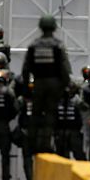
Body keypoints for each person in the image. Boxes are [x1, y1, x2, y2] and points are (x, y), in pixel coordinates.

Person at [21, 15, 71, 143]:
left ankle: (31, 142)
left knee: (35, 112)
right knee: (50, 112)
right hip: (54, 83)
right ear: (54, 27)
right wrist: (65, 85)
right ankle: (46, 142)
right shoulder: (58, 45)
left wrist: (26, 88)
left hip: (38, 82)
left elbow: (26, 68)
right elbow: (64, 67)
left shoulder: (33, 45)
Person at [55, 81, 89, 160]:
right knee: (62, 157)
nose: (68, 92)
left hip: (74, 131)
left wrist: (79, 101)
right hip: (60, 131)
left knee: (79, 155)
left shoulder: (76, 100)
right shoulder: (57, 100)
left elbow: (86, 108)